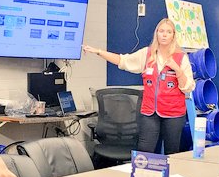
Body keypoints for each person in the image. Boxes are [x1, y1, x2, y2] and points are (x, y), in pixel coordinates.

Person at [82, 18, 194, 154]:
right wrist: (99, 52)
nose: (164, 35)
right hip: (150, 112)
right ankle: (142, 175)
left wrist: (177, 69)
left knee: (172, 152)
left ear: (173, 35)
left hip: (173, 114)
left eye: (168, 32)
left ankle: (169, 175)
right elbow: (122, 60)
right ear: (156, 34)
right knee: (144, 152)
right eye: (161, 31)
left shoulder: (181, 57)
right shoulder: (146, 54)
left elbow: (188, 87)